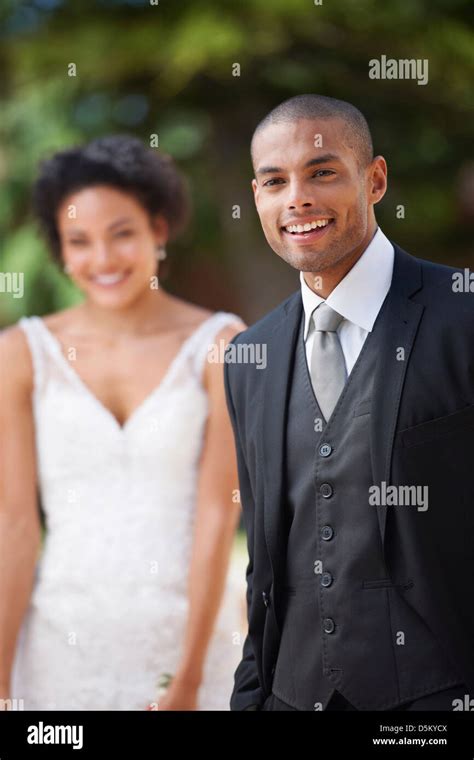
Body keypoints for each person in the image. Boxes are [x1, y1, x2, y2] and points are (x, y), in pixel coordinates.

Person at [224, 95, 474, 711]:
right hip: (292, 693)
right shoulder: (248, 357)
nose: (297, 199)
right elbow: (264, 557)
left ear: (376, 179)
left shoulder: (464, 316)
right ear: (256, 196)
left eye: (322, 172)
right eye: (274, 182)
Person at [0, 135, 247, 710]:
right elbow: (13, 526)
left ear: (158, 230)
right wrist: (2, 681)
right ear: (60, 250)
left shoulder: (220, 345)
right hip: (60, 648)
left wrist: (186, 682)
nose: (103, 260)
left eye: (122, 234)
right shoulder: (21, 353)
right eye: (79, 242)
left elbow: (219, 514)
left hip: (195, 646)